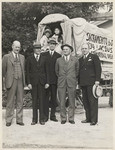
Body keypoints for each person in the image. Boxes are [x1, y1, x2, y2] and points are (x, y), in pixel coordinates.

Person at [2, 40, 25, 127]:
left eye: (19, 47)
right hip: (11, 81)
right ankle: (8, 119)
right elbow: (3, 72)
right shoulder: (6, 57)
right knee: (10, 101)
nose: (17, 49)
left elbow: (23, 70)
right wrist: (4, 83)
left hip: (20, 81)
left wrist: (24, 82)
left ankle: (19, 119)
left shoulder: (22, 57)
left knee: (20, 101)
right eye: (16, 47)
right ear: (12, 46)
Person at [26, 42, 50, 125]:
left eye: (39, 48)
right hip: (33, 83)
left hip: (42, 83)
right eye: (36, 48)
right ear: (34, 49)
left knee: (42, 101)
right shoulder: (29, 58)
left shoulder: (44, 58)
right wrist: (28, 83)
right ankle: (34, 119)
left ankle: (42, 119)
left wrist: (47, 82)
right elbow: (27, 72)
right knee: (35, 101)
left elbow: (47, 71)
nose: (38, 50)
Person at [78, 43, 101, 125]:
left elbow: (98, 69)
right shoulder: (80, 59)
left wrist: (97, 80)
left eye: (85, 48)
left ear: (89, 49)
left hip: (92, 83)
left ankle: (94, 120)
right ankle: (88, 118)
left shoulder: (94, 57)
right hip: (83, 83)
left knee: (93, 102)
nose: (84, 50)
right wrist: (79, 83)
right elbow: (79, 72)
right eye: (83, 48)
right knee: (85, 102)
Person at [55, 44, 79, 124]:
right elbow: (57, 71)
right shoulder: (58, 60)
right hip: (61, 82)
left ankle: (71, 118)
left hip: (71, 82)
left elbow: (77, 71)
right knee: (61, 101)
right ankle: (63, 118)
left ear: (70, 51)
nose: (65, 50)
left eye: (67, 49)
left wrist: (71, 77)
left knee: (72, 100)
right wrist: (62, 77)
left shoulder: (75, 60)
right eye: (64, 49)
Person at [43, 38, 61, 122]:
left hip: (54, 81)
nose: (52, 45)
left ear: (55, 45)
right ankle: (45, 116)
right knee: (45, 98)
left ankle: (53, 116)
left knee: (54, 98)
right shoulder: (44, 55)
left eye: (53, 44)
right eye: (50, 44)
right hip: (46, 81)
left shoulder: (58, 56)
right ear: (48, 45)